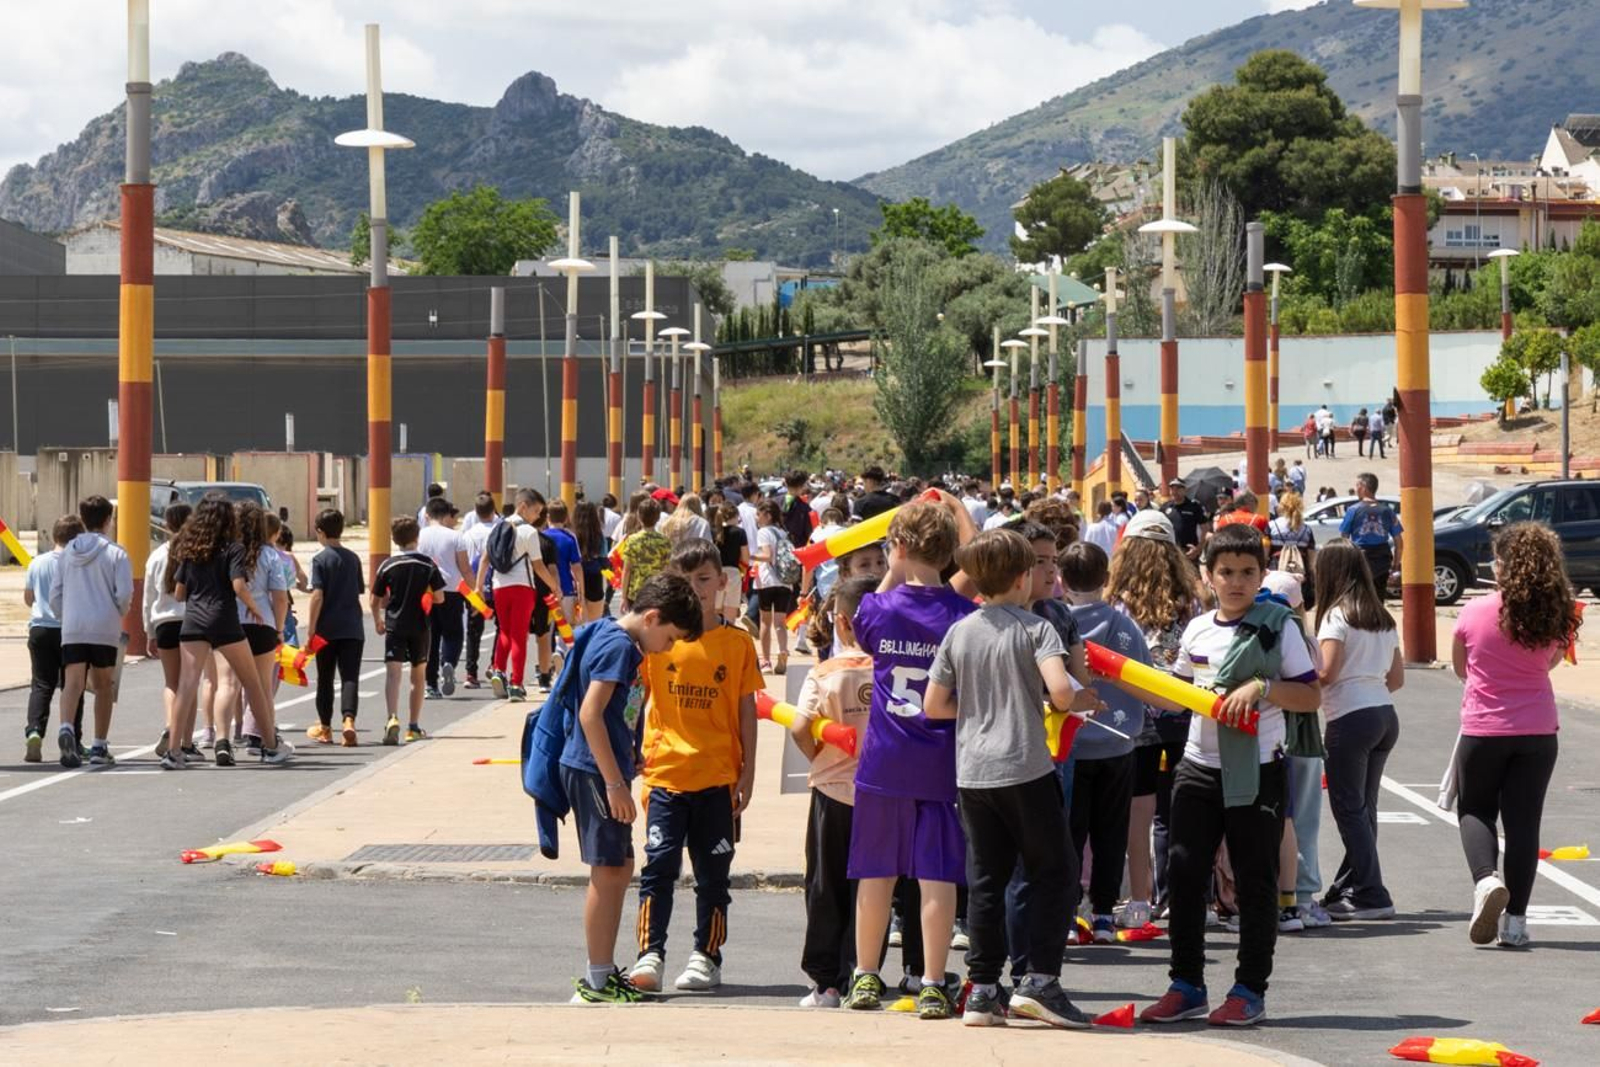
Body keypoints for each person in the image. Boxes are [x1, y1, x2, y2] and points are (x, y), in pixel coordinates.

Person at [1140, 523, 1320, 1027]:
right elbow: (1176, 696)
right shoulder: (1197, 630)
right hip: (1197, 766)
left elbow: (1309, 696)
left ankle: (1248, 989)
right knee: (1183, 872)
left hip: (1259, 770)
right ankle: (1186, 984)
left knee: (1255, 880)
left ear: (1262, 575)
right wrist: (1117, 678)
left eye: (1247, 572)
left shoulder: (1278, 626)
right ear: (1207, 577)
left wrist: (1261, 687)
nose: (1236, 581)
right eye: (1226, 572)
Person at [922, 528, 1102, 1029]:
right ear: (1023, 578)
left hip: (974, 773)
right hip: (1024, 765)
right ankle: (1040, 981)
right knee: (1056, 872)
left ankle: (982, 989)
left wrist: (980, 708)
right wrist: (1069, 697)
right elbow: (1062, 693)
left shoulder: (960, 631)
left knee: (985, 880)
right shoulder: (1036, 629)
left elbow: (933, 705)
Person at [842, 497, 977, 1020]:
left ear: (897, 548)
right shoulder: (963, 616)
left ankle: (864, 975)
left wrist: (893, 570)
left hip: (884, 759)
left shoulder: (878, 609)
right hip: (941, 760)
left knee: (875, 874)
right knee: (936, 876)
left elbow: (868, 617)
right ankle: (934, 981)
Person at [628, 540, 762, 994]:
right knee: (658, 868)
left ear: (722, 582)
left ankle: (707, 955)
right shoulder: (658, 644)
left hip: (717, 778)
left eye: (703, 579)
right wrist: (630, 747)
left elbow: (747, 709)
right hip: (666, 774)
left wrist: (748, 771)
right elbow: (637, 698)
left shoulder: (737, 643)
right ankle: (650, 953)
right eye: (685, 581)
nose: (696, 590)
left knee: (713, 876)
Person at [563, 574, 703, 1004]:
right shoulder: (621, 648)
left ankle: (602, 974)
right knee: (608, 872)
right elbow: (591, 714)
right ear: (652, 617)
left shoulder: (613, 636)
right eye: (671, 637)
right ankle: (596, 980)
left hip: (603, 766)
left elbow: (609, 716)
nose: (669, 647)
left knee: (619, 868)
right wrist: (614, 783)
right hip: (595, 772)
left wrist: (627, 758)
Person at [1449, 523, 1575, 949]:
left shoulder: (1474, 611)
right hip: (1539, 730)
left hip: (1484, 729)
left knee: (1475, 809)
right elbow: (1551, 663)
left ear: (1504, 566)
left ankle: (1486, 881)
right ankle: (1516, 922)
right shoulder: (1556, 613)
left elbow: (1460, 667)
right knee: (1524, 824)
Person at [1106, 509, 1201, 924]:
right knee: (1183, 809)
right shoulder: (1192, 599)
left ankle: (1141, 899)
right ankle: (1189, 894)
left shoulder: (1117, 600)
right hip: (1181, 706)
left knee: (1138, 811)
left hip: (1134, 712)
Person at [1059, 540, 1151, 946]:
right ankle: (1102, 914)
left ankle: (1065, 910)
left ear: (1061, 580)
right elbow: (1145, 674)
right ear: (1106, 579)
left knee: (1069, 833)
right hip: (1118, 743)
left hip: (1070, 745)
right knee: (1111, 834)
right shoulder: (1123, 626)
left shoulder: (1054, 622)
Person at [792, 576, 877, 1008]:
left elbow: (800, 726)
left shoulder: (825, 672)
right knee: (874, 887)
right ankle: (869, 973)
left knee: (826, 884)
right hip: (881, 791)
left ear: (840, 622)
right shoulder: (891, 669)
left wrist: (819, 760)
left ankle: (827, 982)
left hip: (832, 789)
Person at [1312, 540, 1404, 921]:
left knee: (1349, 809)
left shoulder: (1336, 616)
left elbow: (1327, 673)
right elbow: (1396, 678)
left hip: (1350, 717)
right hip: (1384, 712)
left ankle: (1371, 893)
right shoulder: (1382, 616)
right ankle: (1353, 884)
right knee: (1365, 810)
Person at [167, 496, 292, 766]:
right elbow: (238, 585)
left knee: (187, 685)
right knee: (253, 683)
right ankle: (271, 746)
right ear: (226, 520)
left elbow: (179, 593)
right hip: (223, 620)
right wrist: (254, 608)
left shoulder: (191, 549)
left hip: (193, 622)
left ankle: (174, 751)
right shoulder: (232, 549)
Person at [50, 495, 133, 768]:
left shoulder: (68, 552)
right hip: (103, 626)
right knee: (103, 686)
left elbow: (55, 594)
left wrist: (66, 615)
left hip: (73, 626)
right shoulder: (117, 553)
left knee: (72, 683)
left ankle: (65, 728)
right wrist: (117, 612)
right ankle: (99, 744)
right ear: (108, 520)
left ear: (82, 519)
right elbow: (124, 594)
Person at [218, 501, 289, 759]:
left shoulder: (225, 552)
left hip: (228, 623)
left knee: (227, 683)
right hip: (261, 625)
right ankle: (264, 740)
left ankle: (222, 740)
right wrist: (279, 629)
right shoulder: (269, 555)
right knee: (261, 687)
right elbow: (280, 598)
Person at [371, 516, 445, 745]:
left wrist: (378, 621)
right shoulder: (428, 564)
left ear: (394, 539)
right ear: (417, 537)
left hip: (395, 624)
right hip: (420, 625)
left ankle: (392, 718)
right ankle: (413, 726)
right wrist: (427, 596)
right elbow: (441, 597)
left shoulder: (388, 565)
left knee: (393, 675)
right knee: (418, 676)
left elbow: (375, 599)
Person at [482, 489, 561, 701]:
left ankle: (499, 670)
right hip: (523, 588)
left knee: (504, 632)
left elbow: (485, 560)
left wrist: (478, 588)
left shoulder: (498, 527)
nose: (537, 517)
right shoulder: (529, 532)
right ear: (523, 506)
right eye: (536, 511)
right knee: (519, 637)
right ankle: (516, 684)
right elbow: (538, 566)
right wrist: (554, 586)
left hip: (499, 586)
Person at [24, 515, 85, 762]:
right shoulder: (75, 564)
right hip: (68, 628)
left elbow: (29, 598)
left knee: (41, 684)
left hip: (39, 628)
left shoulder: (37, 562)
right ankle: (73, 736)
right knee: (73, 685)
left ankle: (34, 731)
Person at [145, 504, 199, 765]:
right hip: (191, 620)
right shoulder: (197, 552)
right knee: (190, 682)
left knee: (171, 682)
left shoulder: (157, 555)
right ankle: (186, 741)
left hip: (164, 621)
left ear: (166, 524)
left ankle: (170, 724)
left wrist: (149, 631)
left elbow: (148, 598)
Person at [306, 508, 365, 746]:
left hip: (326, 629)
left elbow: (317, 595)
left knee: (325, 678)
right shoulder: (353, 558)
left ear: (320, 531)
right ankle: (349, 721)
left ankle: (326, 728)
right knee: (350, 676)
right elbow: (359, 590)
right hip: (352, 626)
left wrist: (311, 629)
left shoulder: (320, 559)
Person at [419, 497, 470, 700]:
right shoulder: (456, 537)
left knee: (430, 637)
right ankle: (448, 661)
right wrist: (475, 593)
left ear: (427, 515)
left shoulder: (419, 536)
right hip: (451, 590)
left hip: (426, 592)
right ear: (447, 515)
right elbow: (465, 568)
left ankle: (431, 684)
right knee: (454, 633)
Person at [1338, 473, 1402, 596]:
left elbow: (1344, 537)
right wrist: (1395, 564)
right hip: (1382, 560)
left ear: (1363, 487)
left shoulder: (1353, 510)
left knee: (1360, 598)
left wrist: (1345, 561)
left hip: (1360, 560)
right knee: (1378, 599)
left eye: (1357, 485)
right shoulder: (1387, 511)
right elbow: (1398, 541)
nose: (1356, 489)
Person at [751, 501, 796, 674]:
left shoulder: (763, 532)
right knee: (780, 622)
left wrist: (751, 556)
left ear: (767, 515)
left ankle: (766, 661)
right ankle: (783, 650)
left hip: (767, 581)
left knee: (765, 622)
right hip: (785, 582)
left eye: (759, 514)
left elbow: (768, 556)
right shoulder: (783, 533)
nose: (757, 517)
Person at [460, 493, 500, 687]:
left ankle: (470, 673)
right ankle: (495, 664)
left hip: (475, 588)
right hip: (497, 585)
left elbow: (465, 564)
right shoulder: (500, 531)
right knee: (502, 628)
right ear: (494, 510)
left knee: (473, 631)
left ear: (475, 512)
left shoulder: (467, 535)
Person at [618, 497, 671, 613]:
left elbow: (626, 570)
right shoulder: (665, 542)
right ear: (657, 518)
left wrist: (623, 597)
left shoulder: (632, 540)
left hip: (635, 592)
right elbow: (667, 570)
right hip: (656, 591)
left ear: (639, 516)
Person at [1268, 491, 1317, 607]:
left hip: (1276, 571)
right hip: (1299, 575)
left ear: (1281, 507)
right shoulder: (1306, 529)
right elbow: (1311, 559)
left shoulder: (1272, 526)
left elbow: (1265, 553)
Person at [544, 499, 584, 628]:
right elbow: (577, 567)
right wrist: (581, 592)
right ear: (566, 518)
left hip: (545, 589)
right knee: (566, 628)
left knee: (546, 631)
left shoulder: (541, 536)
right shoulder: (569, 537)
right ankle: (565, 648)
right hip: (566, 588)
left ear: (547, 517)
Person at [710, 503, 749, 626]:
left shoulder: (713, 532)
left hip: (715, 574)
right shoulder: (740, 532)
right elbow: (746, 558)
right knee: (730, 617)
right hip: (733, 574)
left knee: (715, 614)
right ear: (736, 516)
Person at [572, 501, 609, 624]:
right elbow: (604, 560)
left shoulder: (572, 536)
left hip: (575, 580)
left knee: (578, 624)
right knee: (594, 623)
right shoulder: (599, 537)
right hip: (595, 580)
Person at [1161, 479, 1209, 562]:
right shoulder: (1165, 507)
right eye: (1172, 489)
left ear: (1185, 490)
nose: (1174, 491)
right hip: (1170, 551)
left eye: (1178, 488)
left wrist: (1198, 549)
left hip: (1189, 552)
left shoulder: (1194, 506)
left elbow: (1205, 528)